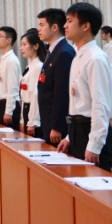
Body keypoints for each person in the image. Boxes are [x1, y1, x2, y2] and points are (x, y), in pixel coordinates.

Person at [59, 2, 112, 169]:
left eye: (70, 21)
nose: (65, 25)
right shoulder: (78, 56)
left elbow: (100, 104)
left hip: (91, 131)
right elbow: (78, 103)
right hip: (77, 129)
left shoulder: (95, 58)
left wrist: (94, 145)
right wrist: (69, 137)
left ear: (85, 26)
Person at [35, 8, 75, 145]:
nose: (39, 29)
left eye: (42, 25)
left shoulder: (64, 53)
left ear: (55, 27)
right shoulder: (53, 51)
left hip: (57, 126)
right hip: (48, 119)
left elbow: (62, 93)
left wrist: (57, 126)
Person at [19, 29, 47, 138]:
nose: (21, 48)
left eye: (24, 44)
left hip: (33, 113)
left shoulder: (39, 66)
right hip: (26, 110)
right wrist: (22, 119)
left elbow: (35, 95)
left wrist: (32, 122)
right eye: (21, 45)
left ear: (36, 46)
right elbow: (24, 95)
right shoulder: (30, 66)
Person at [0, 27, 22, 129]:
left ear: (9, 40)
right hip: (1, 104)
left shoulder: (11, 60)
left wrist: (8, 111)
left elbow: (13, 88)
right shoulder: (4, 58)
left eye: (0, 36)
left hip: (9, 106)